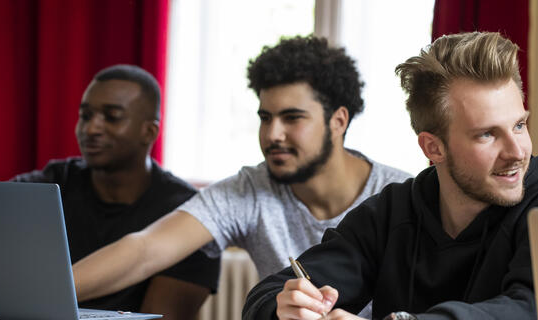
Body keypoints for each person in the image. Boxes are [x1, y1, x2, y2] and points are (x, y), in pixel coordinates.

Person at [242, 32, 538, 320]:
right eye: (487, 134)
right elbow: (267, 294)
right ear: (433, 148)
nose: (517, 151)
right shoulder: (392, 212)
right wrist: (287, 307)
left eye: (519, 125)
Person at [71, 36, 411, 317]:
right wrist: (43, 291)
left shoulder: (400, 195)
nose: (273, 134)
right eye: (265, 117)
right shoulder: (250, 189)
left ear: (339, 121)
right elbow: (145, 249)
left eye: (292, 118)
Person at [11, 64, 220, 320]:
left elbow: (161, 316)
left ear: (149, 132)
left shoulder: (190, 214)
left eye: (112, 117)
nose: (91, 128)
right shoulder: (53, 182)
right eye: (86, 115)